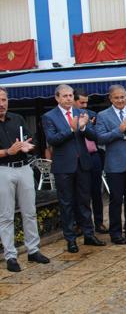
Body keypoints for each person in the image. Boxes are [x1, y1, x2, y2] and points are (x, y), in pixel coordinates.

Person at [42, 84, 107, 253]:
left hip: (83, 163)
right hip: (64, 166)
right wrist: (71, 129)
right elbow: (53, 139)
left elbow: (95, 137)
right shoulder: (49, 116)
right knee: (67, 204)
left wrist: (84, 127)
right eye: (65, 96)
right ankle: (70, 239)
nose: (69, 98)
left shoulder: (81, 113)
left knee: (85, 201)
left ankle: (89, 234)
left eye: (70, 95)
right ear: (57, 98)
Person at [0, 87, 50, 272]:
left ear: (8, 101)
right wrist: (7, 151)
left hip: (24, 168)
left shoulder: (18, 119)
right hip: (3, 170)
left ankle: (33, 250)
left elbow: (31, 141)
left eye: (4, 100)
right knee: (5, 216)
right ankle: (11, 256)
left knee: (30, 212)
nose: (1, 104)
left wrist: (30, 147)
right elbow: (8, 151)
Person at [95, 85, 126, 245]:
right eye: (116, 98)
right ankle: (115, 233)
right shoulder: (103, 115)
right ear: (110, 98)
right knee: (116, 199)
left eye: (122, 97)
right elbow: (101, 138)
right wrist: (119, 130)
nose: (120, 100)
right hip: (115, 163)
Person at [73, 89, 107, 234]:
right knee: (80, 193)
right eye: (82, 102)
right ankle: (81, 223)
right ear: (74, 101)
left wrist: (87, 126)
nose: (84, 105)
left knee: (96, 191)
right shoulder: (69, 117)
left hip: (93, 156)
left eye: (86, 102)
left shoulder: (93, 115)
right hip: (78, 157)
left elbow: (97, 136)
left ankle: (99, 222)